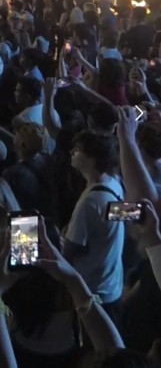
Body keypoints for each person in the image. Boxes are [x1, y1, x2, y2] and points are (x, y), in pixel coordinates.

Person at [64, 131, 125, 315]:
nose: (72, 152)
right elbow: (110, 225)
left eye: (77, 149)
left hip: (92, 292)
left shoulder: (89, 202)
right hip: (112, 287)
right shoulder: (114, 183)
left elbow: (70, 249)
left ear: (92, 158)